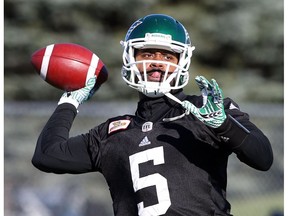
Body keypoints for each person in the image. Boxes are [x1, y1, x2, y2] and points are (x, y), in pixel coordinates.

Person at [32, 14, 273, 216]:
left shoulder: (207, 110)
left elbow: (263, 158)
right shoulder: (112, 133)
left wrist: (223, 125)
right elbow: (47, 155)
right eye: (147, 54)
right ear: (130, 58)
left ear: (183, 60)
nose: (157, 63)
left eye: (168, 56)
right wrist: (70, 102)